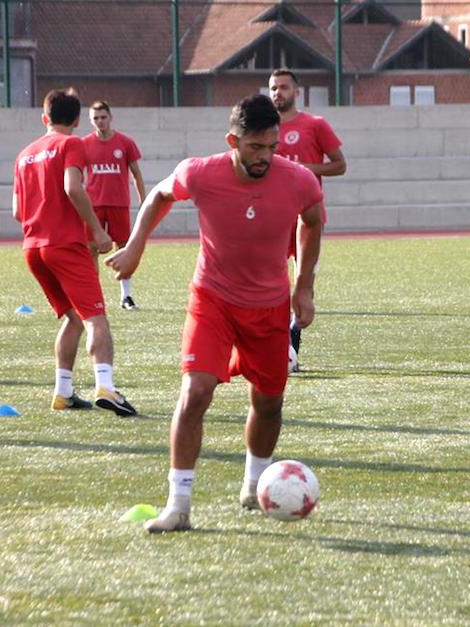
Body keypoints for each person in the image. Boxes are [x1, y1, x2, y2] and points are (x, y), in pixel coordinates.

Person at [105, 95, 324, 533]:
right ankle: (178, 505)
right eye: (255, 148)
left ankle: (253, 483)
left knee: (268, 401)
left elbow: (313, 220)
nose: (265, 157)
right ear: (233, 141)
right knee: (195, 392)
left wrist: (304, 286)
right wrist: (134, 247)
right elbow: (159, 196)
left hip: (270, 307)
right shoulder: (201, 172)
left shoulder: (298, 180)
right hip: (213, 300)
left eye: (272, 147)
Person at [12, 88, 137, 417]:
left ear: (45, 118)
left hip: (33, 248)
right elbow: (72, 186)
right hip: (65, 244)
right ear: (79, 120)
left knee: (73, 318)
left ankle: (63, 392)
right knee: (97, 318)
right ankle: (106, 386)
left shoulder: (25, 154)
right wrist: (96, 230)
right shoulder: (72, 144)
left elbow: (16, 211)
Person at [268, 69, 346, 371]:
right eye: (274, 88)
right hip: (272, 218)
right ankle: (278, 347)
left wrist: (304, 170)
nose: (278, 93)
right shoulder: (264, 129)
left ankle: (291, 349)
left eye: (284, 87)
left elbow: (340, 165)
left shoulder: (315, 125)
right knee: (273, 284)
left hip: (308, 217)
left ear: (296, 92)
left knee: (304, 282)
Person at [82, 100, 146, 310]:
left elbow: (136, 173)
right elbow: (75, 175)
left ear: (110, 118)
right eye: (96, 118)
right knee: (91, 248)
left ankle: (126, 296)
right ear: (91, 121)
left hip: (119, 203)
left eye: (103, 117)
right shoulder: (84, 144)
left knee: (124, 248)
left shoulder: (125, 143)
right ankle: (95, 297)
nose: (100, 121)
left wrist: (143, 200)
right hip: (94, 206)